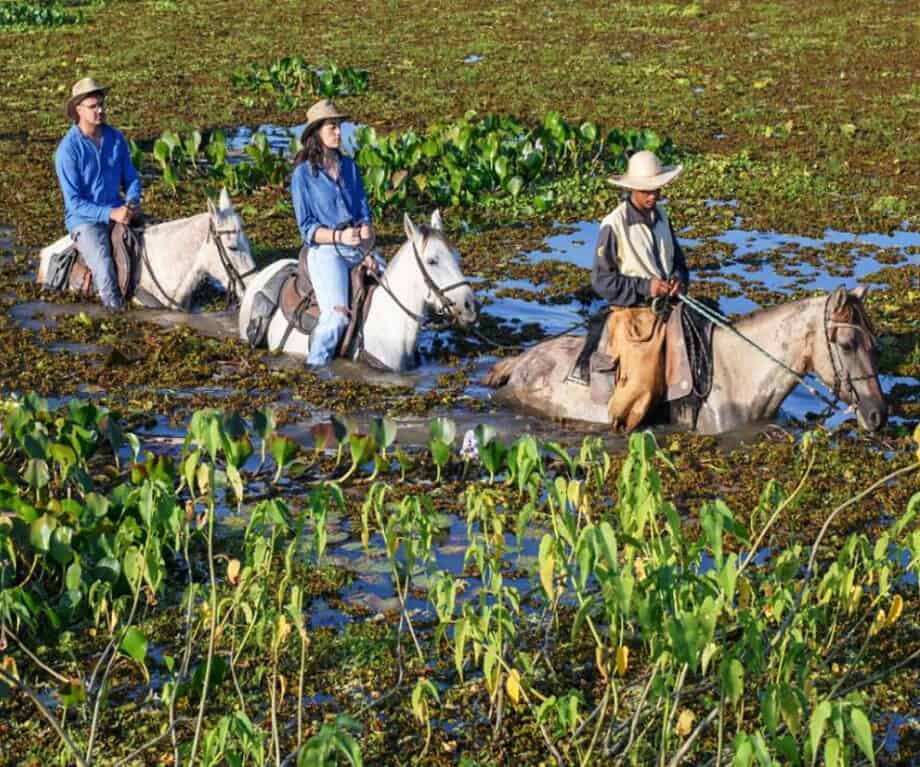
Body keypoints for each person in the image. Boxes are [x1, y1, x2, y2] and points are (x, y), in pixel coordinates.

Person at [589, 150, 689, 430]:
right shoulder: (614, 224)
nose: (653, 196)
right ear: (632, 189)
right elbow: (602, 281)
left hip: (670, 306)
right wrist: (648, 287)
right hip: (634, 315)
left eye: (656, 190)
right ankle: (623, 424)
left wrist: (678, 280)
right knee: (642, 383)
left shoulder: (662, 217)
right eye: (646, 191)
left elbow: (679, 263)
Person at [291, 99, 377, 366]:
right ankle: (315, 369)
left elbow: (364, 214)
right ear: (317, 132)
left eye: (339, 127)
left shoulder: (350, 167)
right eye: (332, 127)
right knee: (336, 317)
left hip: (357, 248)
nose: (339, 133)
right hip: (326, 250)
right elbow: (306, 229)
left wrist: (366, 242)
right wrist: (339, 237)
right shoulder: (303, 175)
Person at [55, 78, 142, 310]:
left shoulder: (116, 139)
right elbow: (74, 203)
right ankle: (115, 313)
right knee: (104, 269)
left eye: (102, 105)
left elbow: (131, 178)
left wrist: (132, 202)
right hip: (85, 221)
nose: (100, 110)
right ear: (78, 110)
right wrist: (111, 213)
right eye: (93, 106)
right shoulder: (67, 150)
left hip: (119, 209)